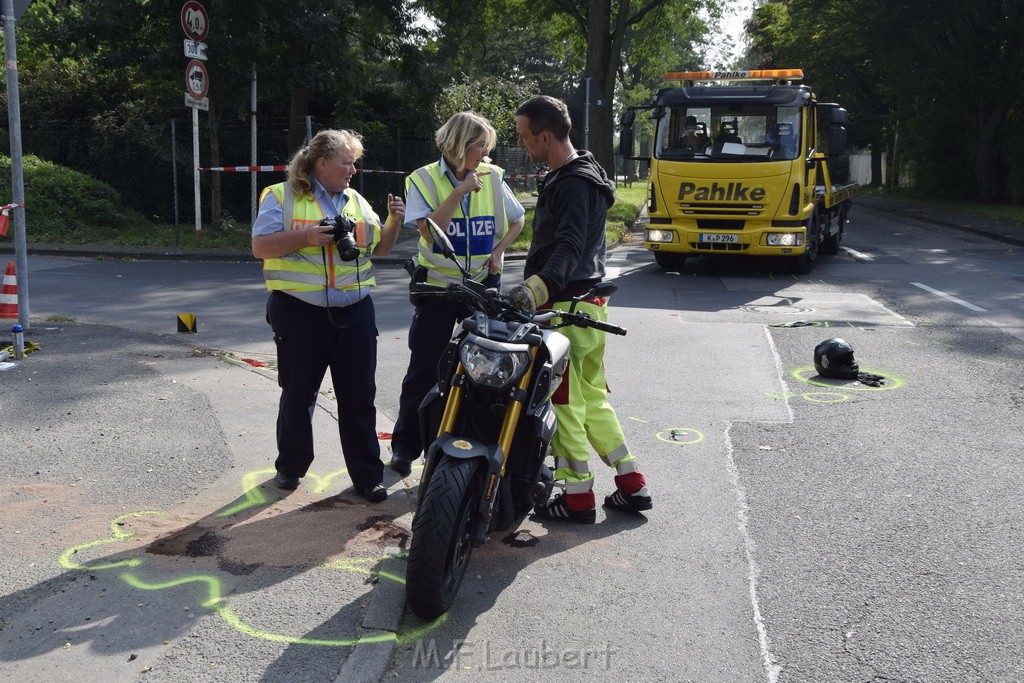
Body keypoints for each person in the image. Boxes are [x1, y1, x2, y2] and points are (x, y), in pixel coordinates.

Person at [510, 95, 653, 523]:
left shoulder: (571, 182)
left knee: (564, 406)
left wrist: (535, 289)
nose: (522, 145)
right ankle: (632, 483)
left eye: (524, 137)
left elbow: (569, 246)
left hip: (565, 309)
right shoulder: (584, 173)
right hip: (590, 308)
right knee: (592, 401)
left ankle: (577, 499)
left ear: (546, 136)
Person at [251, 129, 405, 502]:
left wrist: (394, 221)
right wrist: (304, 238)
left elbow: (381, 249)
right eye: (346, 162)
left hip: (355, 312)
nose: (353, 169)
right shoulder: (280, 196)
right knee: (297, 393)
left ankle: (368, 476)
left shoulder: (355, 200)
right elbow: (259, 246)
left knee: (359, 397)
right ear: (322, 164)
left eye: (354, 162)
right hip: (299, 312)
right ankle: (291, 466)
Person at [389, 112, 525, 476]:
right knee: (424, 369)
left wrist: (500, 251)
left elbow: (518, 219)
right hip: (438, 287)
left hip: (483, 286)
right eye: (480, 145)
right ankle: (405, 448)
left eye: (486, 146)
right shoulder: (423, 178)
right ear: (458, 144)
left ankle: (473, 448)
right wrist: (459, 191)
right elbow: (431, 233)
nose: (485, 152)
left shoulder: (493, 177)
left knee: (488, 372)